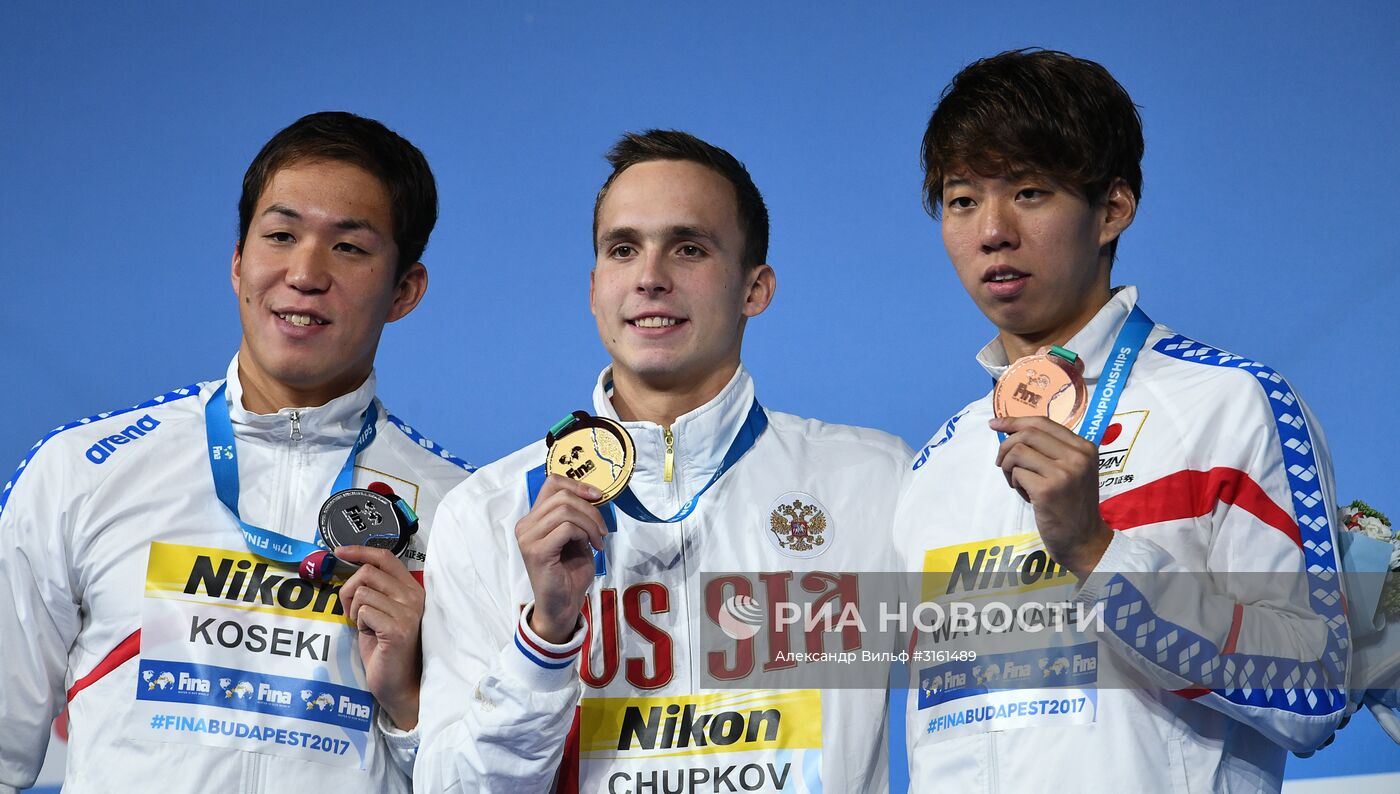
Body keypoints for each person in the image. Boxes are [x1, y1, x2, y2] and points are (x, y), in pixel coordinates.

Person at [896, 49, 1348, 792]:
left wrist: (1098, 552)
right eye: (962, 200)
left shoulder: (1230, 403)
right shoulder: (935, 466)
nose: (992, 231)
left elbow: (1315, 686)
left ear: (1112, 209)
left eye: (1031, 192)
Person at [415, 129, 911, 792]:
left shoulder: (873, 484)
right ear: (595, 289)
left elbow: (981, 705)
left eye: (688, 248)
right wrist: (547, 637)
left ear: (754, 289)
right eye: (624, 249)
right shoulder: (487, 513)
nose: (650, 277)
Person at [0, 111, 473, 794]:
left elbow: (481, 777)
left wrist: (411, 708)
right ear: (237, 262)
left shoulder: (461, 512)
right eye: (280, 235)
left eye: (349, 247)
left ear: (405, 290)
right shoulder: (83, 470)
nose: (304, 273)